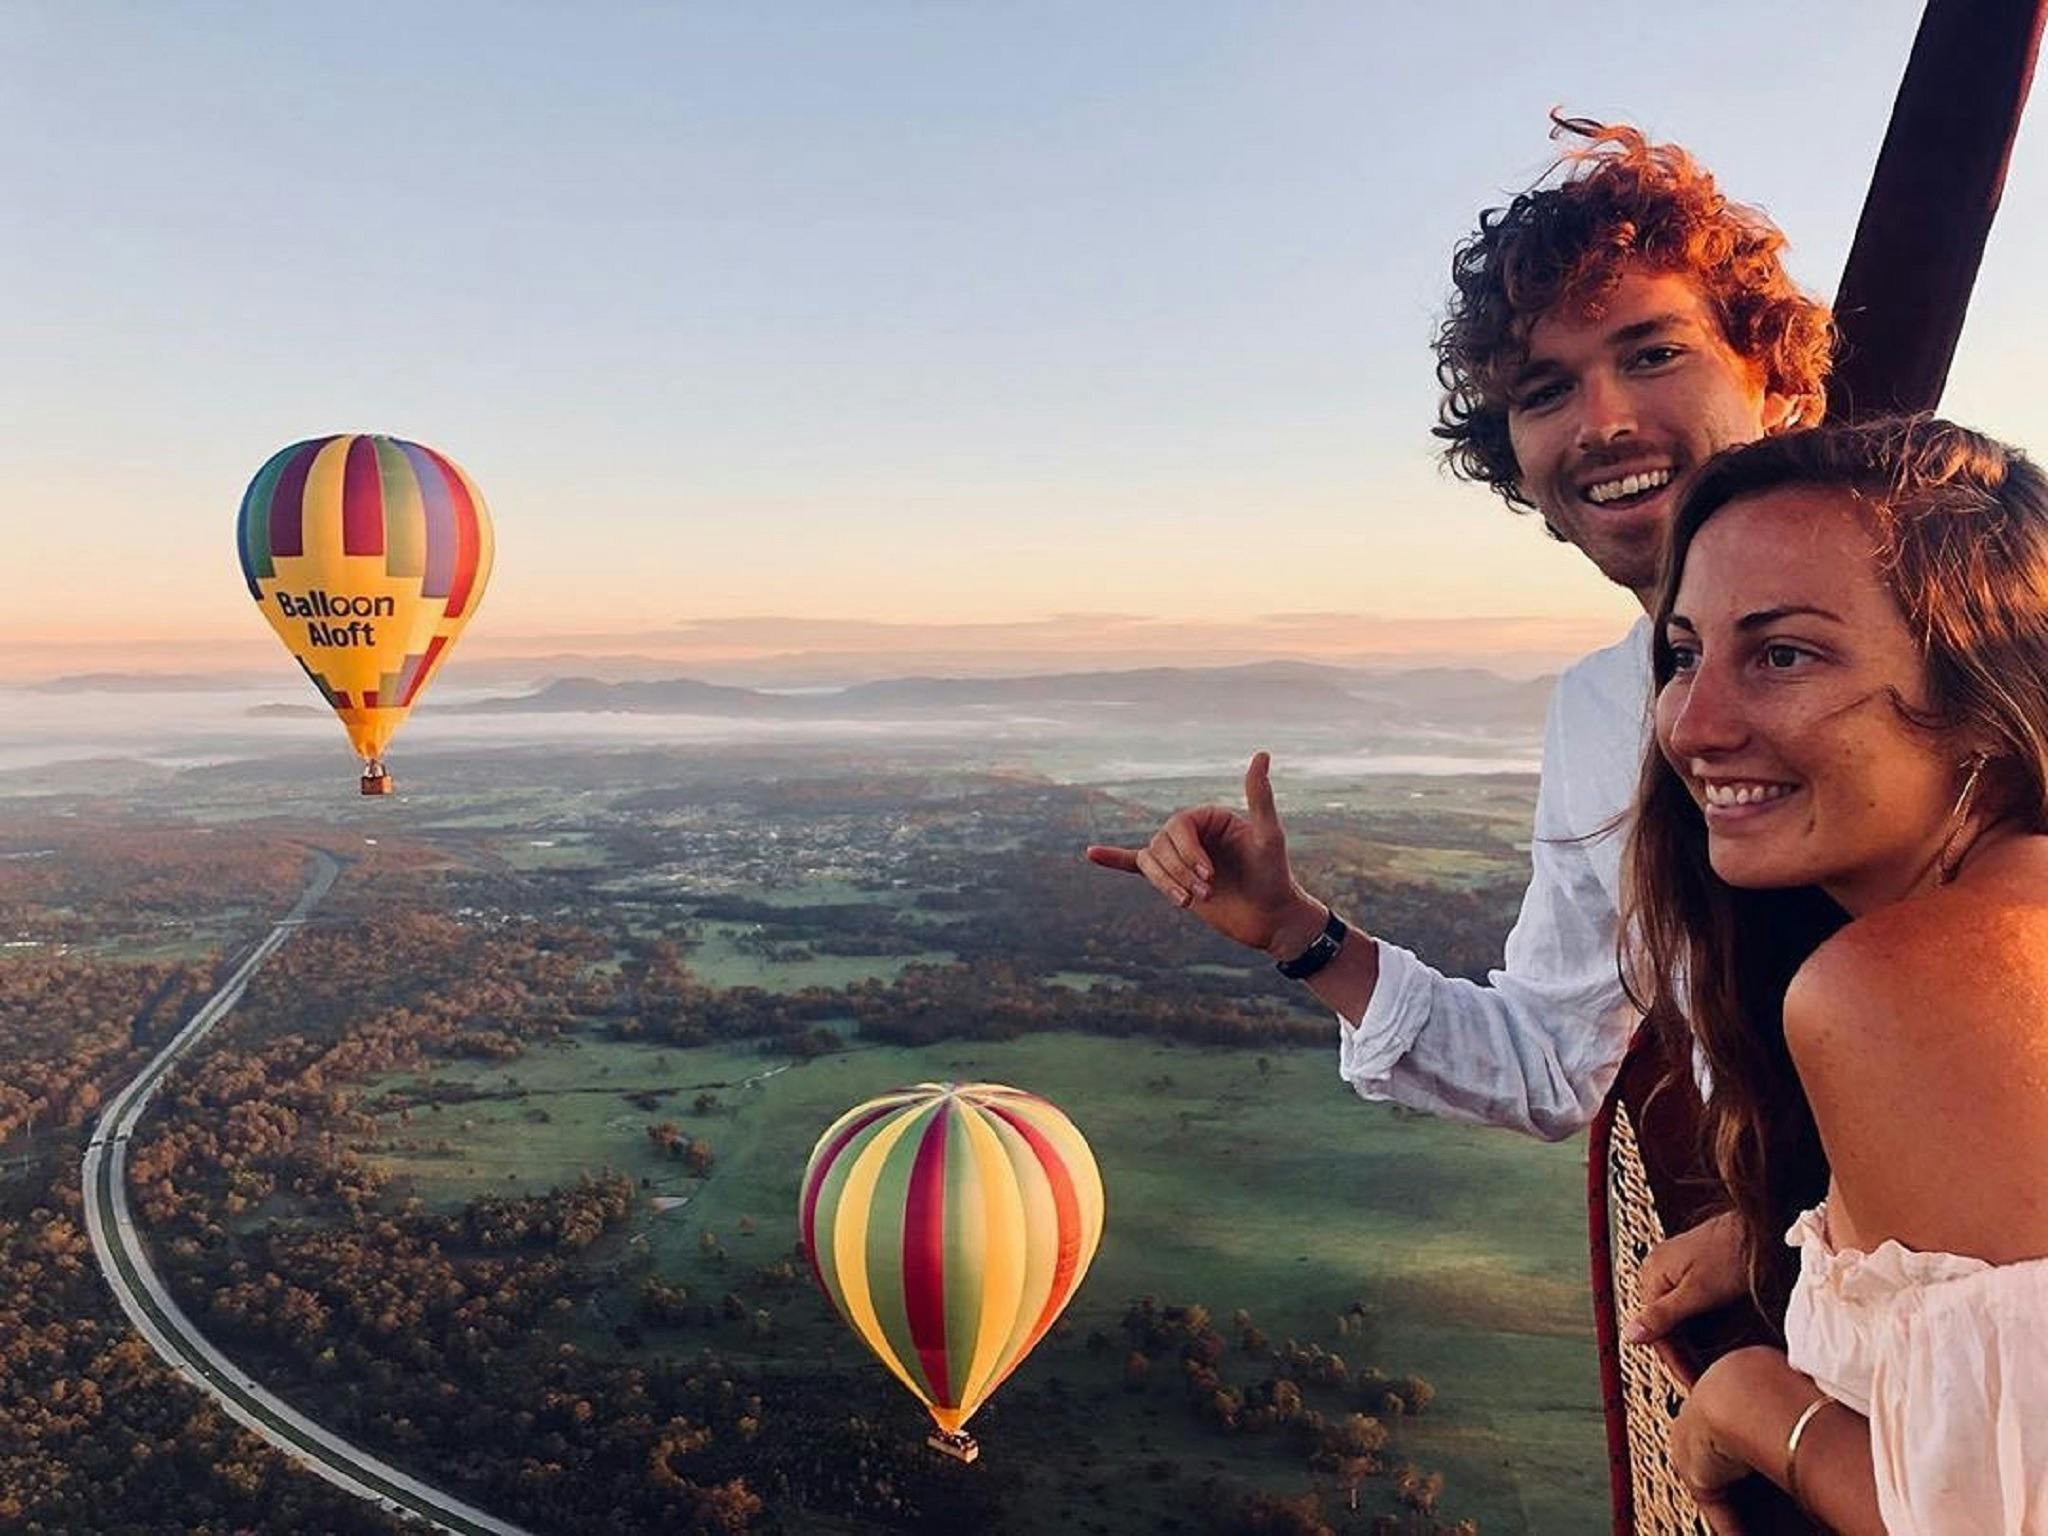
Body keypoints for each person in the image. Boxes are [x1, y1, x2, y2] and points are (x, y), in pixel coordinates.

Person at [1087, 118, 1828, 1138]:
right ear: (1510, 454)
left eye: (1651, 352)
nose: (1600, 420)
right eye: (1543, 390)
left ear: (1771, 378)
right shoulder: (1599, 710)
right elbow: (1553, 1058)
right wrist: (1294, 933)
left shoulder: (1968, 613)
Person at [1617, 416, 2048, 1534]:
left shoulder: (1906, 983)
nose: (1690, 724)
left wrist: (1758, 1408)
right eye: (1681, 654)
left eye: (1782, 654)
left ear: (1982, 706)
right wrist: (1797, 1240)